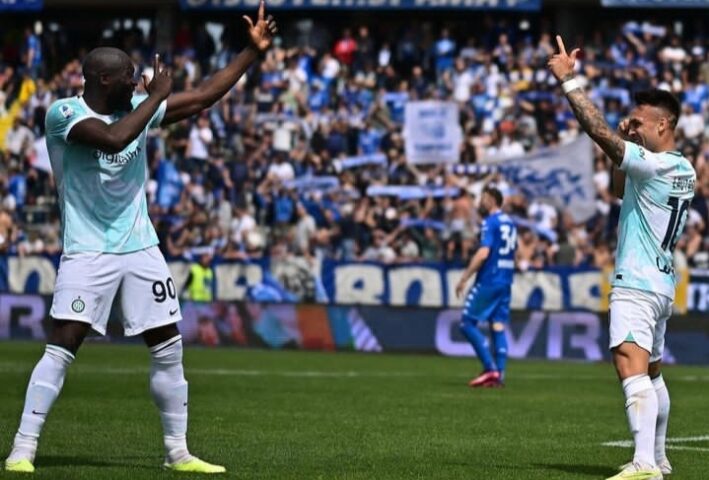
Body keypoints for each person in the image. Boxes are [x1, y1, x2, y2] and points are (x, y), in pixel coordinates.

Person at [4, 1, 277, 474]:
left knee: (169, 345)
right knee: (63, 343)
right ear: (103, 79)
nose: (139, 79)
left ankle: (179, 453)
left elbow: (205, 96)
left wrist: (250, 53)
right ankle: (23, 449)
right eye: (130, 74)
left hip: (140, 247)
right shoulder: (63, 114)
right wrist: (156, 98)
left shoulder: (137, 105)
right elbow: (114, 140)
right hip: (87, 250)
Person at [548, 36, 696, 480]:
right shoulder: (681, 168)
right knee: (651, 374)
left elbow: (599, 133)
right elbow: (618, 188)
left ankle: (644, 463)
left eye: (640, 122)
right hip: (662, 283)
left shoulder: (656, 166)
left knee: (628, 365)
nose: (632, 126)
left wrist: (569, 82)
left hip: (637, 281)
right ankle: (661, 457)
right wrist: (628, 142)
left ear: (664, 126)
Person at [455, 187, 517, 388]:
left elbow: (483, 253)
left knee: (467, 323)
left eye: (482, 199)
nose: (479, 203)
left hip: (489, 279)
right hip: (506, 280)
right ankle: (500, 374)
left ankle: (490, 368)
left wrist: (465, 277)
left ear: (491, 200)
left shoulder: (490, 223)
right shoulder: (510, 223)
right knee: (497, 326)